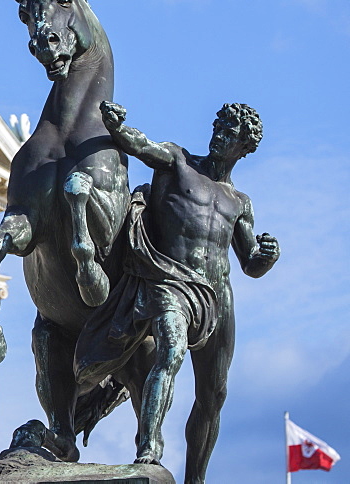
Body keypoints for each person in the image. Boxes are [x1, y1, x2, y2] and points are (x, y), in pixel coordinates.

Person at [75, 101, 280, 481]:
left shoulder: (240, 202)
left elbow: (250, 262)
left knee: (214, 396)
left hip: (216, 298)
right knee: (170, 351)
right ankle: (149, 449)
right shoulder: (178, 161)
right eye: (219, 125)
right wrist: (118, 128)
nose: (220, 134)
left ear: (244, 147)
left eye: (231, 132)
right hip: (169, 281)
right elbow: (141, 145)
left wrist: (267, 256)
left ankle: (195, 478)